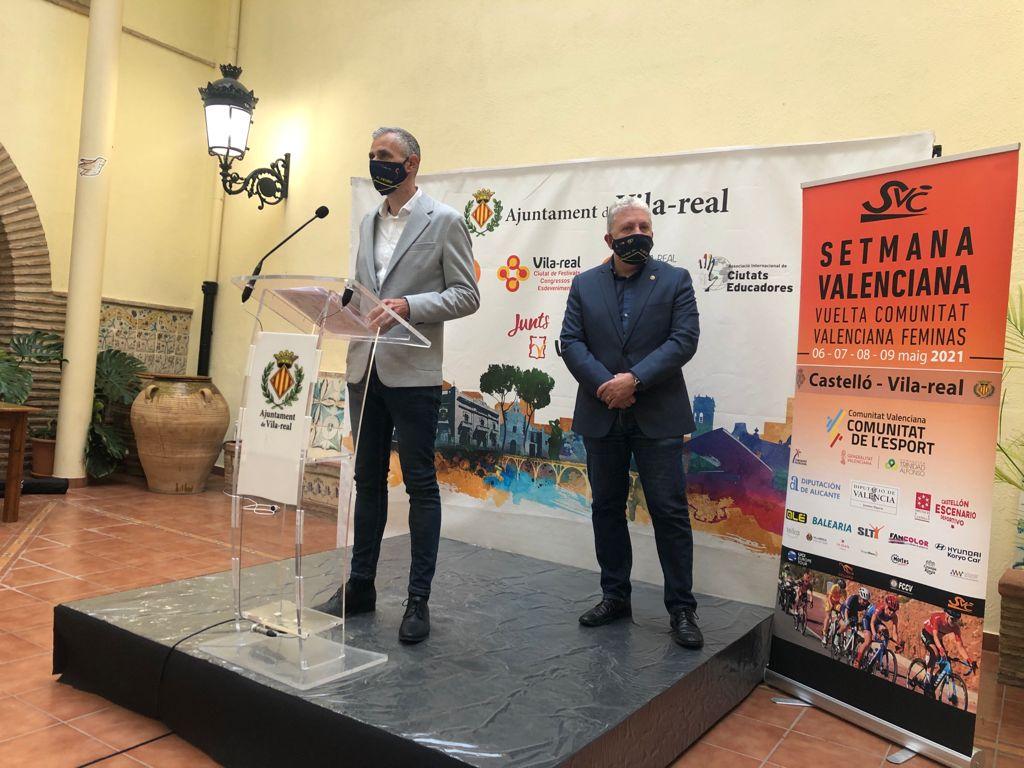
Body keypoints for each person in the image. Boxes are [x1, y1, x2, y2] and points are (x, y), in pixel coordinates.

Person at [316, 127, 480, 644]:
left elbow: (466, 294)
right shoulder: (368, 221)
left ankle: (417, 600)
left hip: (412, 373)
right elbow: (365, 290)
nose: (375, 163)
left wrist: (411, 306)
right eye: (371, 156)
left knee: (420, 485)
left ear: (411, 163)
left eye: (384, 155)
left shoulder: (445, 220)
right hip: (364, 368)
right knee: (367, 480)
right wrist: (335, 305)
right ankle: (360, 586)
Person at [558, 196, 702, 648]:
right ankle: (614, 596)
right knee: (606, 508)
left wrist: (634, 380)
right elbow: (571, 341)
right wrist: (607, 385)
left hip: (658, 414)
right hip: (601, 412)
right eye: (628, 229)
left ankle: (682, 610)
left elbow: (684, 340)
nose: (638, 234)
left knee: (669, 512)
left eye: (645, 226)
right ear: (609, 239)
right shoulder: (584, 284)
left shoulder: (676, 280)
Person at [921, 609, 977, 680]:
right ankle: (927, 680)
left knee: (945, 662)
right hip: (927, 634)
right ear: (947, 615)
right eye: (952, 619)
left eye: (956, 620)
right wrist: (941, 649)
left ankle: (934, 680)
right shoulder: (938, 618)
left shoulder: (955, 628)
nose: (954, 622)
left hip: (938, 639)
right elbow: (935, 636)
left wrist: (969, 660)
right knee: (935, 653)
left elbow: (960, 646)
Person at [855, 594, 902, 669]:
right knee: (868, 641)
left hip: (877, 621)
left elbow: (894, 633)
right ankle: (857, 661)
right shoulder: (880, 608)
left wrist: (898, 643)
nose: (891, 612)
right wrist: (874, 634)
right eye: (890, 609)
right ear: (886, 605)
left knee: (885, 632)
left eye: (894, 610)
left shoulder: (894, 617)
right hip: (868, 619)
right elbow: (872, 623)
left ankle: (877, 659)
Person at [821, 578, 847, 646]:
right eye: (840, 588)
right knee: (828, 617)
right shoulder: (834, 587)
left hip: (836, 603)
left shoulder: (844, 591)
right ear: (838, 586)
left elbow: (844, 602)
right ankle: (824, 634)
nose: (841, 590)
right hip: (829, 601)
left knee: (841, 609)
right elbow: (829, 597)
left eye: (843, 589)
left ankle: (836, 622)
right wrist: (831, 605)